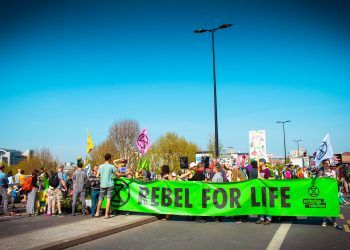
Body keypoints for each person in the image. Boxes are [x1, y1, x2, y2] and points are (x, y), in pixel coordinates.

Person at [319, 159, 343, 230]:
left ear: (329, 164)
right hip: (324, 192)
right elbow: (319, 180)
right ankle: (324, 221)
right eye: (325, 163)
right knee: (324, 206)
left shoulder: (333, 171)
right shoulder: (321, 171)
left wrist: (337, 180)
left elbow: (336, 180)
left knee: (333, 207)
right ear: (323, 164)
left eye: (328, 163)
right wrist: (320, 177)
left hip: (332, 192)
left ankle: (334, 222)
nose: (327, 164)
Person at [95, 153, 118, 219]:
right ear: (110, 158)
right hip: (110, 184)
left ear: (104, 158)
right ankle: (106, 214)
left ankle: (97, 213)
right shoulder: (112, 166)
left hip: (102, 184)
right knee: (108, 199)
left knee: (100, 199)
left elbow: (97, 176)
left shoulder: (100, 166)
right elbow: (117, 174)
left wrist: (102, 176)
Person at [256, 158, 272, 225]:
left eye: (260, 162)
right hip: (261, 190)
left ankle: (268, 218)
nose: (259, 163)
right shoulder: (259, 170)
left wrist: (262, 179)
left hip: (266, 190)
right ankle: (261, 218)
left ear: (263, 162)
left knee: (267, 204)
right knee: (261, 204)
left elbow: (269, 179)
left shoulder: (267, 170)